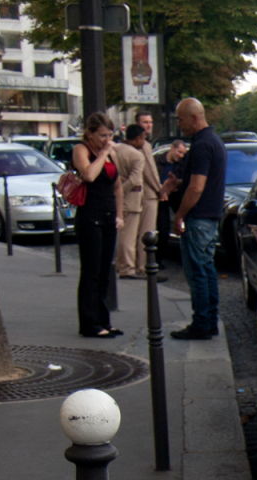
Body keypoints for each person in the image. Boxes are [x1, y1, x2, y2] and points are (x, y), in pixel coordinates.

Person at [170, 98, 227, 340]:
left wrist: (180, 215)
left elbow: (197, 187)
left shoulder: (203, 145)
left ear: (194, 117)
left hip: (199, 217)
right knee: (206, 270)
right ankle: (209, 321)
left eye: (180, 119)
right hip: (210, 216)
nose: (179, 125)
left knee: (197, 273)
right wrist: (178, 183)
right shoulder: (214, 141)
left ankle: (202, 323)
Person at [71, 112, 125, 338]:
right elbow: (89, 175)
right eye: (102, 135)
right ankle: (89, 323)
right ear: (90, 134)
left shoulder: (110, 154)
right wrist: (103, 154)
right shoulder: (82, 149)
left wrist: (119, 214)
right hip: (89, 215)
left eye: (109, 135)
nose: (106, 140)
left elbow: (117, 186)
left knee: (105, 271)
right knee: (91, 271)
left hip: (108, 214)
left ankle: (104, 320)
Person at [114, 124, 147, 279]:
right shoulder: (137, 155)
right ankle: (127, 267)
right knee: (128, 236)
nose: (144, 142)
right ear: (138, 138)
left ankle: (121, 264)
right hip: (131, 199)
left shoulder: (115, 150)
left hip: (117, 198)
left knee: (121, 235)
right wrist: (119, 192)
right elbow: (134, 179)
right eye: (144, 138)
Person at [135, 110, 165, 279]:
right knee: (147, 232)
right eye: (145, 122)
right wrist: (159, 189)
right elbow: (149, 172)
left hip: (146, 192)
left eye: (150, 122)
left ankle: (141, 265)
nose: (148, 125)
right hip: (148, 193)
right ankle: (144, 266)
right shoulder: (143, 145)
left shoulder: (145, 144)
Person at [156, 139, 186, 261]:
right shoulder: (157, 160)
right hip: (159, 195)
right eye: (179, 152)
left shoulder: (182, 164)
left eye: (183, 153)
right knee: (163, 228)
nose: (181, 156)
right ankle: (158, 258)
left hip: (175, 195)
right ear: (172, 148)